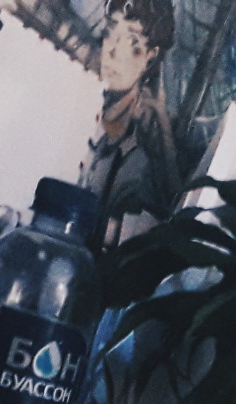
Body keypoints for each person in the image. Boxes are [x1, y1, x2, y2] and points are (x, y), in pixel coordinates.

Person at [81, 0, 184, 250]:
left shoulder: (145, 149)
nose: (113, 52)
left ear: (150, 57)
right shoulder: (81, 99)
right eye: (109, 34)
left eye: (133, 45)